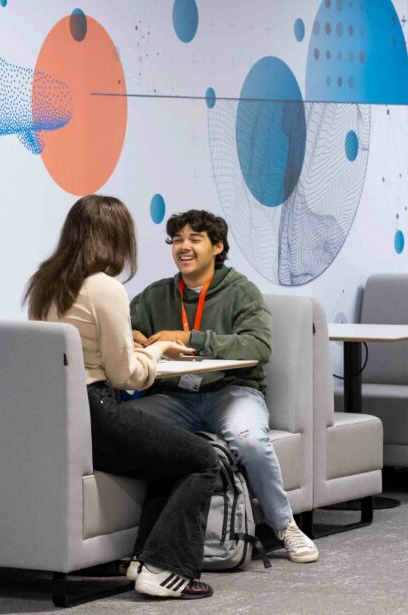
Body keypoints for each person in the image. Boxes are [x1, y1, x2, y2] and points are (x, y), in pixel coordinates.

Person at [24, 195, 217, 600]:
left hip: (58, 413)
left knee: (171, 460)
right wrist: (156, 352)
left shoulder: (46, 282)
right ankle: (166, 569)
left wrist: (127, 347)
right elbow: (125, 375)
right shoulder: (103, 287)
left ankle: (145, 561)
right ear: (116, 238)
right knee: (203, 459)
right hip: (98, 411)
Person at [129, 209, 319, 564]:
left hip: (231, 392)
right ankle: (142, 539)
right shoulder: (156, 295)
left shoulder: (241, 292)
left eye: (194, 239)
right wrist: (131, 336)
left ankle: (285, 526)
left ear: (217, 247)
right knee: (121, 425)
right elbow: (123, 323)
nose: (183, 247)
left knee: (249, 441)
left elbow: (258, 346)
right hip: (174, 396)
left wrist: (192, 338)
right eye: (177, 240)